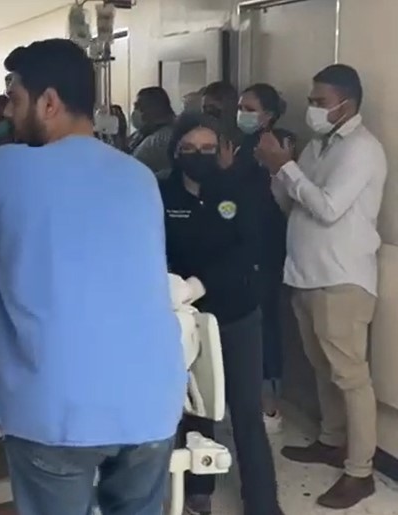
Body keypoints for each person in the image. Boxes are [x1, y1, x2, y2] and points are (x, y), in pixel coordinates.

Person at [0, 38, 186, 515]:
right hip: (152, 401)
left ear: (48, 102)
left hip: (59, 407)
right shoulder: (138, 176)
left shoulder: (8, 168)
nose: (8, 112)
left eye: (14, 99)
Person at [256, 64, 387, 510]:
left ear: (346, 103)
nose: (312, 108)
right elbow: (293, 203)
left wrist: (286, 167)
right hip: (306, 274)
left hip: (341, 279)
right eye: (311, 100)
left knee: (351, 377)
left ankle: (360, 472)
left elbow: (329, 208)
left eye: (319, 101)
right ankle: (332, 441)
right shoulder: (318, 145)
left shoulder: (362, 150)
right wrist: (277, 172)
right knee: (321, 367)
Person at [162, 112, 283, 515]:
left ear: (223, 150)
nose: (199, 155)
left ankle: (263, 504)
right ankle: (198, 492)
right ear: (175, 151)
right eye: (189, 148)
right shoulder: (163, 193)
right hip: (185, 318)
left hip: (236, 315)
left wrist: (200, 283)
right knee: (195, 407)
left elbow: (249, 250)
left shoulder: (241, 190)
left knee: (246, 413)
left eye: (208, 148)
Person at [236, 83, 295, 432]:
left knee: (265, 325)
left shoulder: (279, 144)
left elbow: (283, 195)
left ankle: (269, 404)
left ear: (269, 114)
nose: (242, 114)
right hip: (241, 248)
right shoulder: (240, 144)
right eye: (240, 107)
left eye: (250, 109)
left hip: (267, 249)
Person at [127, 86, 175, 177]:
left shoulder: (164, 139)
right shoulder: (140, 134)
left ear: (155, 108)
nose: (135, 112)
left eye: (139, 107)